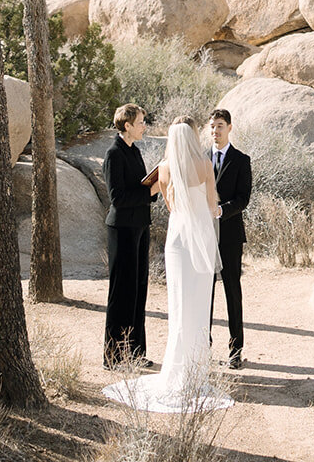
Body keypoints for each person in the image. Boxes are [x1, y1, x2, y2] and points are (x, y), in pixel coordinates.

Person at [104, 118, 232, 413]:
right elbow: (213, 204)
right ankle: (197, 368)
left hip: (177, 239)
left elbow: (171, 205)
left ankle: (176, 367)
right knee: (199, 302)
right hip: (200, 237)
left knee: (178, 302)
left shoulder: (164, 169)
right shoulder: (205, 166)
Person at [103, 101, 155, 368]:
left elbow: (138, 185)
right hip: (122, 228)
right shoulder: (114, 154)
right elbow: (118, 197)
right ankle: (113, 357)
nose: (144, 127)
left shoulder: (134, 151)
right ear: (127, 126)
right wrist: (150, 192)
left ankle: (135, 352)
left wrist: (151, 187)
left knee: (138, 290)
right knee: (121, 292)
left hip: (139, 226)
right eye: (140, 123)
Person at [208, 107, 252, 369]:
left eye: (220, 126)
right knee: (205, 292)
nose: (216, 131)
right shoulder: (201, 158)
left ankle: (236, 350)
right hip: (204, 235)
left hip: (231, 235)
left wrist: (221, 210)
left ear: (230, 127)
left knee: (232, 291)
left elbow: (243, 198)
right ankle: (205, 346)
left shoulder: (241, 159)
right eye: (212, 126)